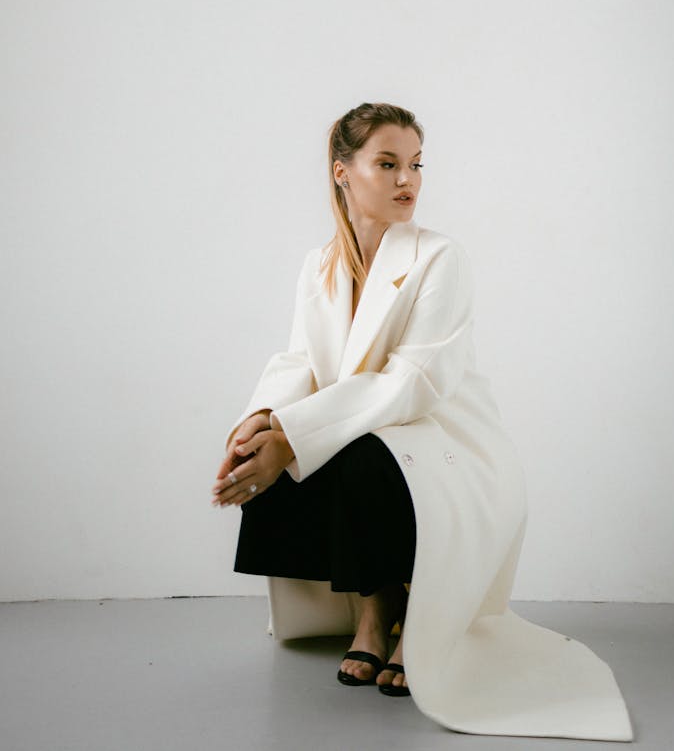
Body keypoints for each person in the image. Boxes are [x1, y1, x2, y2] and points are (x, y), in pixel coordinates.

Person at [212, 102, 633, 739]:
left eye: (415, 164)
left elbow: (416, 384)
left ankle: (416, 613)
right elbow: (299, 357)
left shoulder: (441, 257)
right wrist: (264, 419)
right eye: (387, 163)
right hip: (363, 430)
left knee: (350, 451)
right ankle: (375, 613)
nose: (407, 179)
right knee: (296, 452)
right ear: (342, 172)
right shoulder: (319, 264)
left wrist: (292, 436)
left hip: (443, 445)